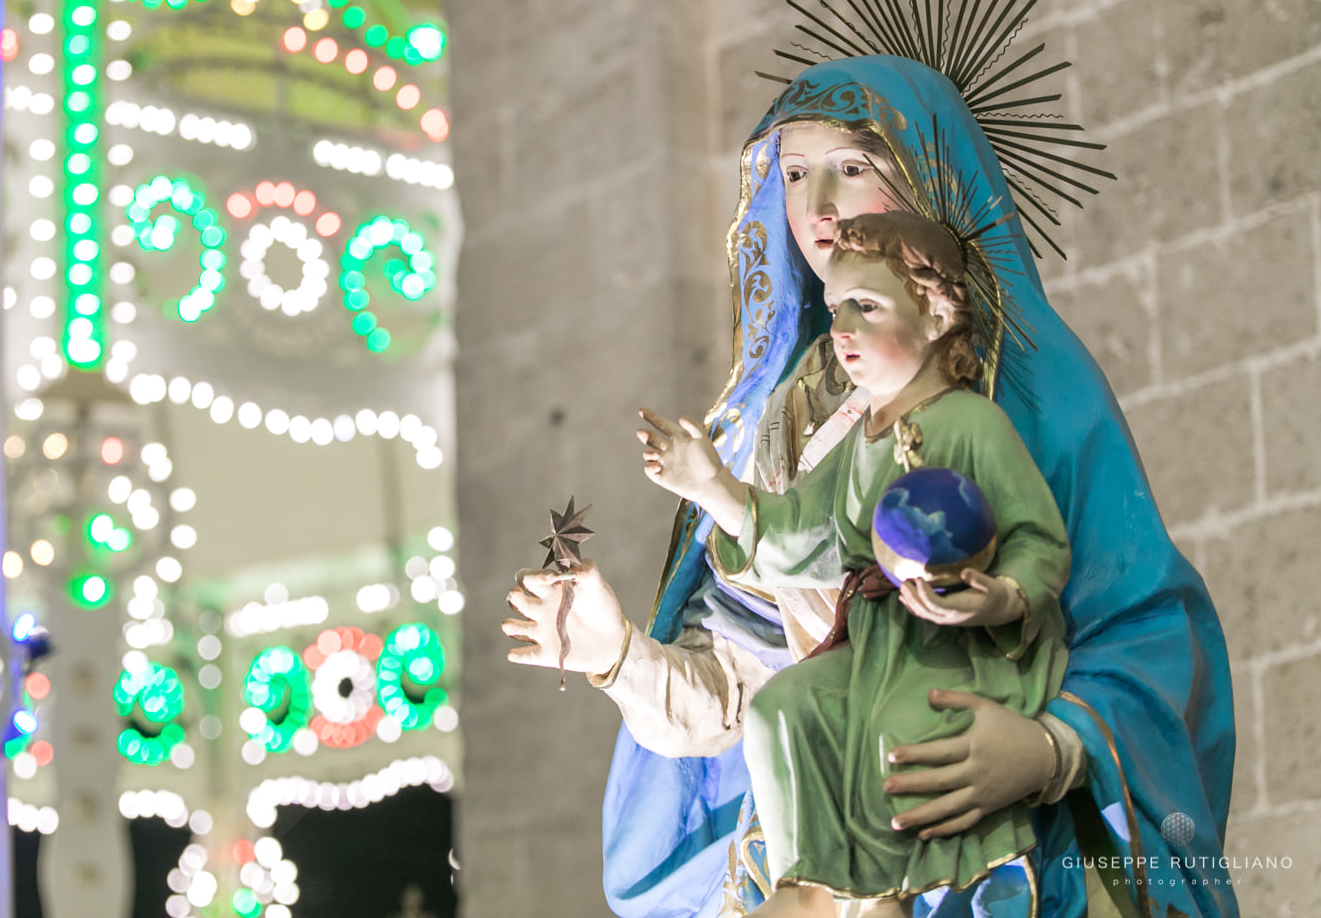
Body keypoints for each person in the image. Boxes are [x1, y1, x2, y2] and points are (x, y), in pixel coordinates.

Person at [504, 53, 1236, 917]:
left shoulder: (1026, 392)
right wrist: (620, 657)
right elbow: (746, 688)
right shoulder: (781, 421)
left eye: (852, 169)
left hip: (992, 814)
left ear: (925, 179)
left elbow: (1146, 627)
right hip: (836, 809)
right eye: (795, 172)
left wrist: (1047, 749)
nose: (817, 208)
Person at [639, 209, 1070, 915]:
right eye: (837, 308)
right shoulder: (862, 438)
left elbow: (1038, 538)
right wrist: (711, 485)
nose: (841, 330)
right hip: (876, 641)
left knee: (892, 731)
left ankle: (883, 896)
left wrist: (999, 596)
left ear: (935, 317)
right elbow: (803, 533)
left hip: (956, 645)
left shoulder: (971, 422)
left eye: (866, 308)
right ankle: (808, 882)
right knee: (783, 706)